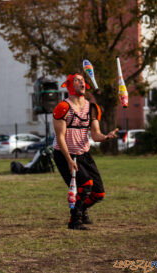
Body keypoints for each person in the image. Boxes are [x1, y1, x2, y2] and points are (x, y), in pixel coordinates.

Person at [52, 73, 118, 230]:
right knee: (85, 184)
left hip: (84, 154)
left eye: (83, 80)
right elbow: (60, 138)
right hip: (64, 154)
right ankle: (74, 221)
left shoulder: (92, 108)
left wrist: (106, 137)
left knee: (98, 193)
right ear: (69, 85)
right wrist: (69, 160)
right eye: (77, 80)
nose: (82, 82)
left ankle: (81, 210)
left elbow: (95, 135)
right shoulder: (63, 108)